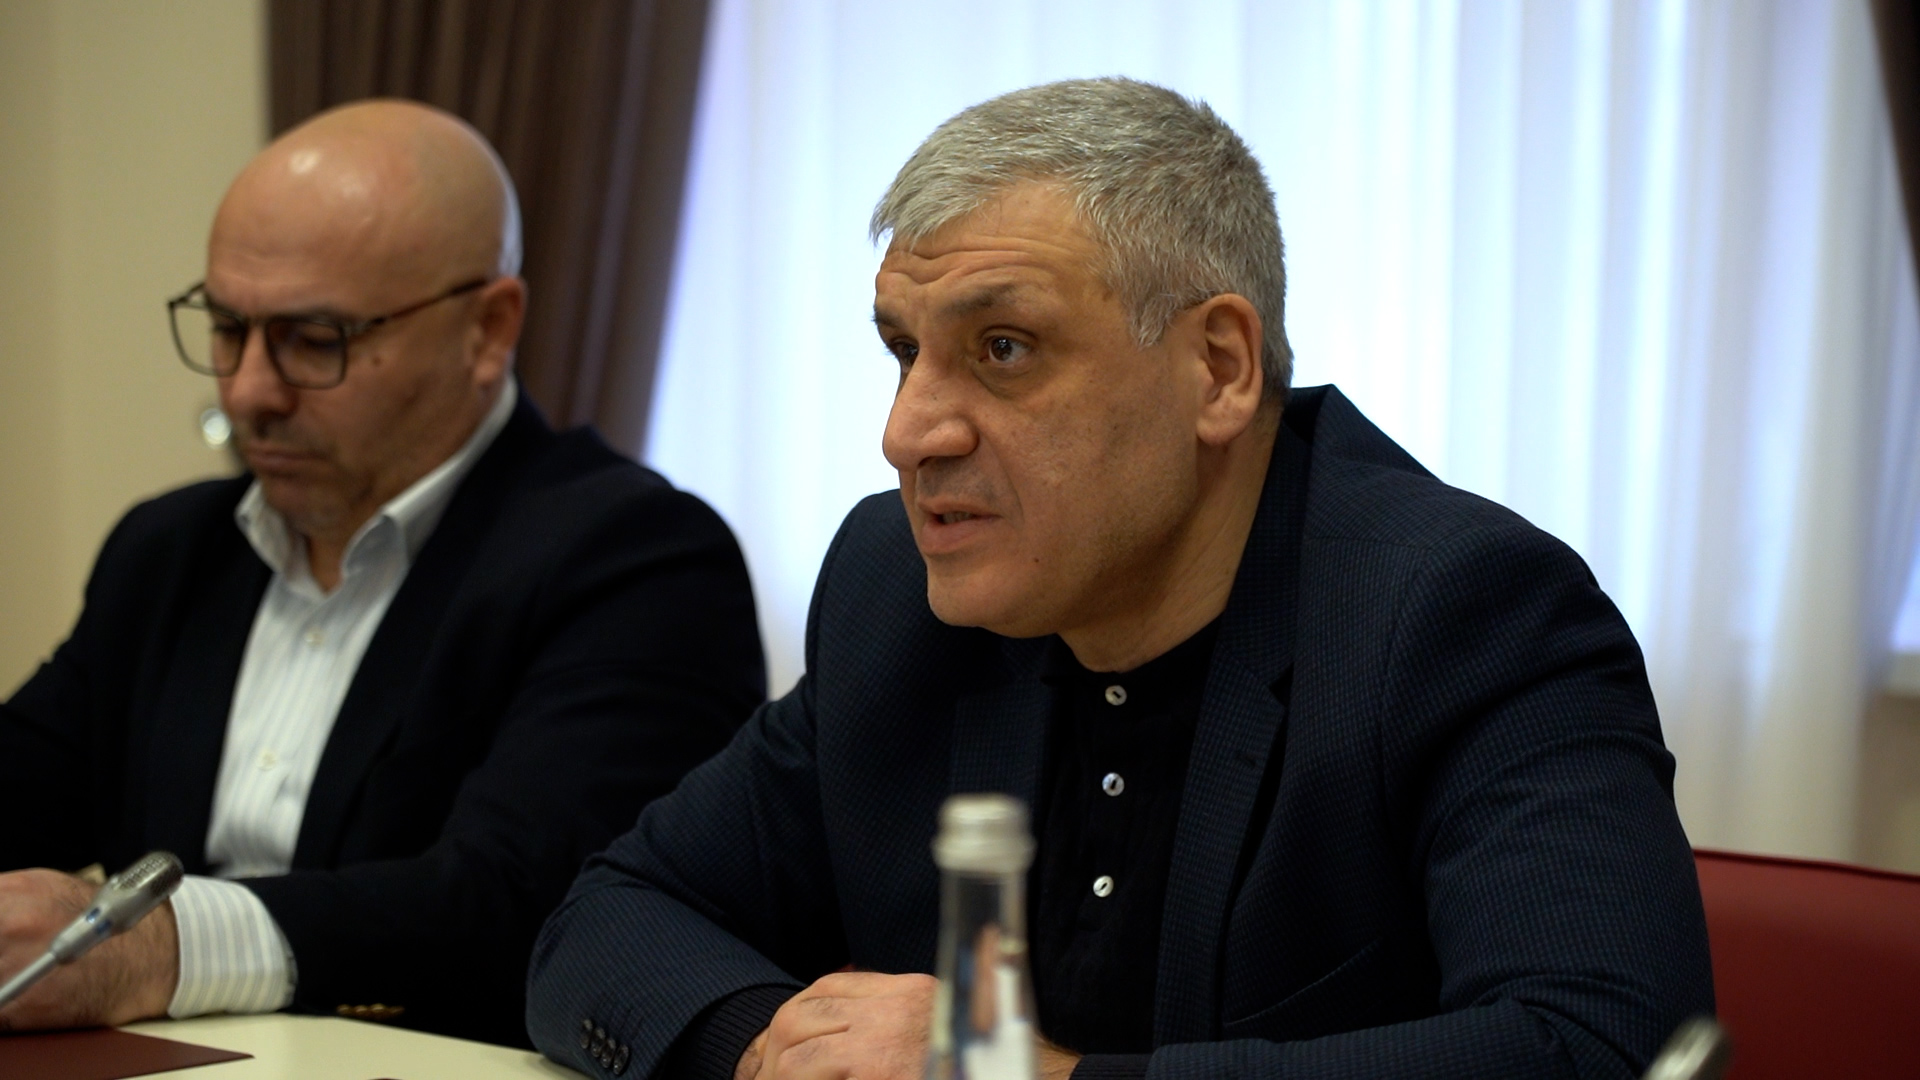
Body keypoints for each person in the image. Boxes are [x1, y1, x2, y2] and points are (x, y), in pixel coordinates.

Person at [525, 78, 1712, 1080]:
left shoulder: (1461, 614)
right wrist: (774, 1048)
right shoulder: (896, 592)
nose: (908, 433)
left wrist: (1030, 1077)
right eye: (904, 350)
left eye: (1003, 348)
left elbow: (1602, 1045)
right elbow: (612, 917)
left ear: (1219, 369)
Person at [0, 100, 765, 1046]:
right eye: (228, 327)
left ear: (487, 329)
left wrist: (164, 947)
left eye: (314, 339)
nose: (248, 391)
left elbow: (527, 903)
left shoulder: (637, 557)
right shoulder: (169, 552)